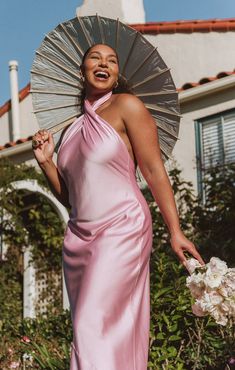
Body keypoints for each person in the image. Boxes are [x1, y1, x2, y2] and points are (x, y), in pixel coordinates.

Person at [32, 43, 204, 370]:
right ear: (81, 71)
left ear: (116, 74)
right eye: (95, 58)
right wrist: (46, 163)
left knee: (90, 326)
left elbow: (153, 170)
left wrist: (175, 230)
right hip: (79, 240)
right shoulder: (70, 130)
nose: (104, 63)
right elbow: (71, 197)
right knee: (91, 330)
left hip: (122, 227)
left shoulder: (128, 106)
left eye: (112, 60)